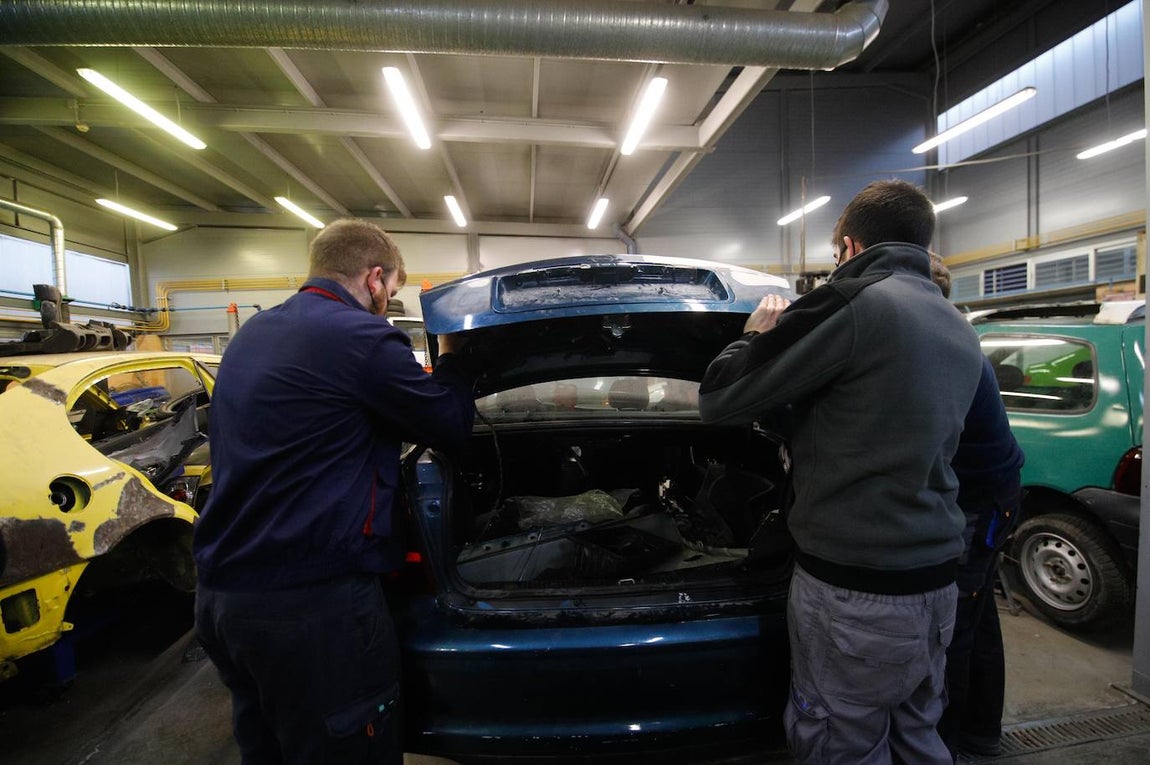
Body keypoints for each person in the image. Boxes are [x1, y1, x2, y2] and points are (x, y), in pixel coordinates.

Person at [699, 179, 984, 763]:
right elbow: (865, 419)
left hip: (856, 593)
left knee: (839, 742)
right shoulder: (954, 322)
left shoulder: (853, 302)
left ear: (849, 247)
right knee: (917, 736)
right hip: (933, 585)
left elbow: (721, 399)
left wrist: (750, 338)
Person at [192, 218, 476, 764]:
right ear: (374, 279)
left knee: (269, 749)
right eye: (391, 293)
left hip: (224, 601)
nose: (387, 305)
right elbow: (448, 425)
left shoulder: (254, 333)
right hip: (310, 609)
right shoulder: (359, 337)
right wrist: (457, 357)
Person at [930, 253, 1025, 759]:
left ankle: (948, 748)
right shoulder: (954, 334)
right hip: (994, 495)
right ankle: (982, 734)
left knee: (956, 630)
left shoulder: (946, 346)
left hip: (980, 503)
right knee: (979, 614)